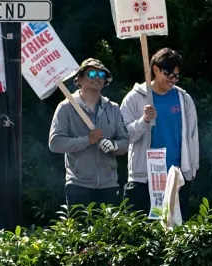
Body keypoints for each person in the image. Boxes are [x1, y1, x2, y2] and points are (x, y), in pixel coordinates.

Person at [121, 48, 199, 219]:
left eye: (177, 76)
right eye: (169, 75)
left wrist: (192, 169)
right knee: (139, 235)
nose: (173, 80)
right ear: (155, 70)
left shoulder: (184, 99)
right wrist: (144, 121)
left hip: (176, 176)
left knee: (176, 233)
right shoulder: (134, 98)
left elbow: (192, 136)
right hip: (144, 178)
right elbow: (123, 137)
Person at [48, 58, 129, 207]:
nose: (97, 77)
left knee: (110, 230)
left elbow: (125, 142)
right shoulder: (66, 107)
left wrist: (114, 145)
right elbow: (55, 143)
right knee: (79, 230)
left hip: (109, 186)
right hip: (78, 186)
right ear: (79, 79)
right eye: (91, 73)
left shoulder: (113, 108)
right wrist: (87, 140)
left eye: (101, 75)